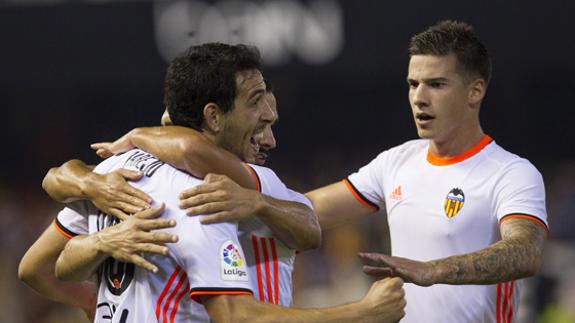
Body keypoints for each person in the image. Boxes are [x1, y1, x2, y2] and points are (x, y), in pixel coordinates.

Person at [95, 20, 548, 322]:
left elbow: (525, 254)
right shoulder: (398, 162)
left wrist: (433, 271)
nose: (419, 97)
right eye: (413, 84)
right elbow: (303, 211)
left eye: (436, 84)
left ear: (475, 90)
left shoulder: (510, 173)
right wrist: (255, 201)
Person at [20, 43, 406, 323]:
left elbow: (37, 268)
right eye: (255, 106)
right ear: (214, 117)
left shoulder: (114, 174)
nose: (269, 139)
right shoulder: (209, 193)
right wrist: (362, 313)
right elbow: (235, 315)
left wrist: (103, 304)